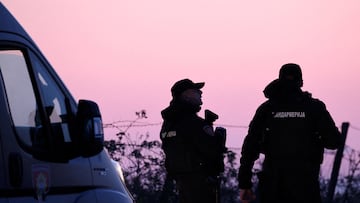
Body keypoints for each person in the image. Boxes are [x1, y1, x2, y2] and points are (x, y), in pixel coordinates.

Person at [238, 63, 341, 203]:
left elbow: (250, 146)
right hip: (305, 185)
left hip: (272, 185)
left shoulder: (267, 109)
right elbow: (334, 142)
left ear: (279, 80)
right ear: (301, 82)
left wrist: (245, 184)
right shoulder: (314, 107)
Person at [160, 78, 226, 203]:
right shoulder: (193, 123)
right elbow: (210, 151)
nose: (200, 93)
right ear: (186, 95)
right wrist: (217, 138)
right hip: (200, 183)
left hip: (179, 182)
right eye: (196, 91)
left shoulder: (169, 123)